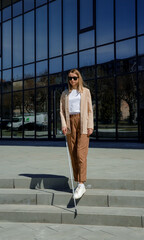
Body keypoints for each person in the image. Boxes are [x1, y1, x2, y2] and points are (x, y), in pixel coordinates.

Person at [60, 69, 94, 199]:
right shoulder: (65, 94)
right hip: (70, 123)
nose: (72, 80)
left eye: (74, 78)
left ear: (79, 78)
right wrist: (63, 124)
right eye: (70, 78)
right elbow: (62, 111)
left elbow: (90, 110)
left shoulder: (85, 92)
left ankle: (81, 183)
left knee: (81, 153)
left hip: (83, 122)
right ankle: (78, 182)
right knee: (73, 153)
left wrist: (90, 125)